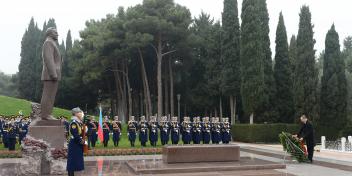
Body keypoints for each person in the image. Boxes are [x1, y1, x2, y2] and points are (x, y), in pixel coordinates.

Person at [67, 107, 86, 176]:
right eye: (79, 112)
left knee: (76, 160)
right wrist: (81, 140)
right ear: (75, 114)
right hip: (74, 143)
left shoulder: (79, 122)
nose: (81, 113)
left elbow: (81, 133)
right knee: (72, 161)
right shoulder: (74, 123)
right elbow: (75, 134)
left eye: (80, 112)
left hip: (77, 143)